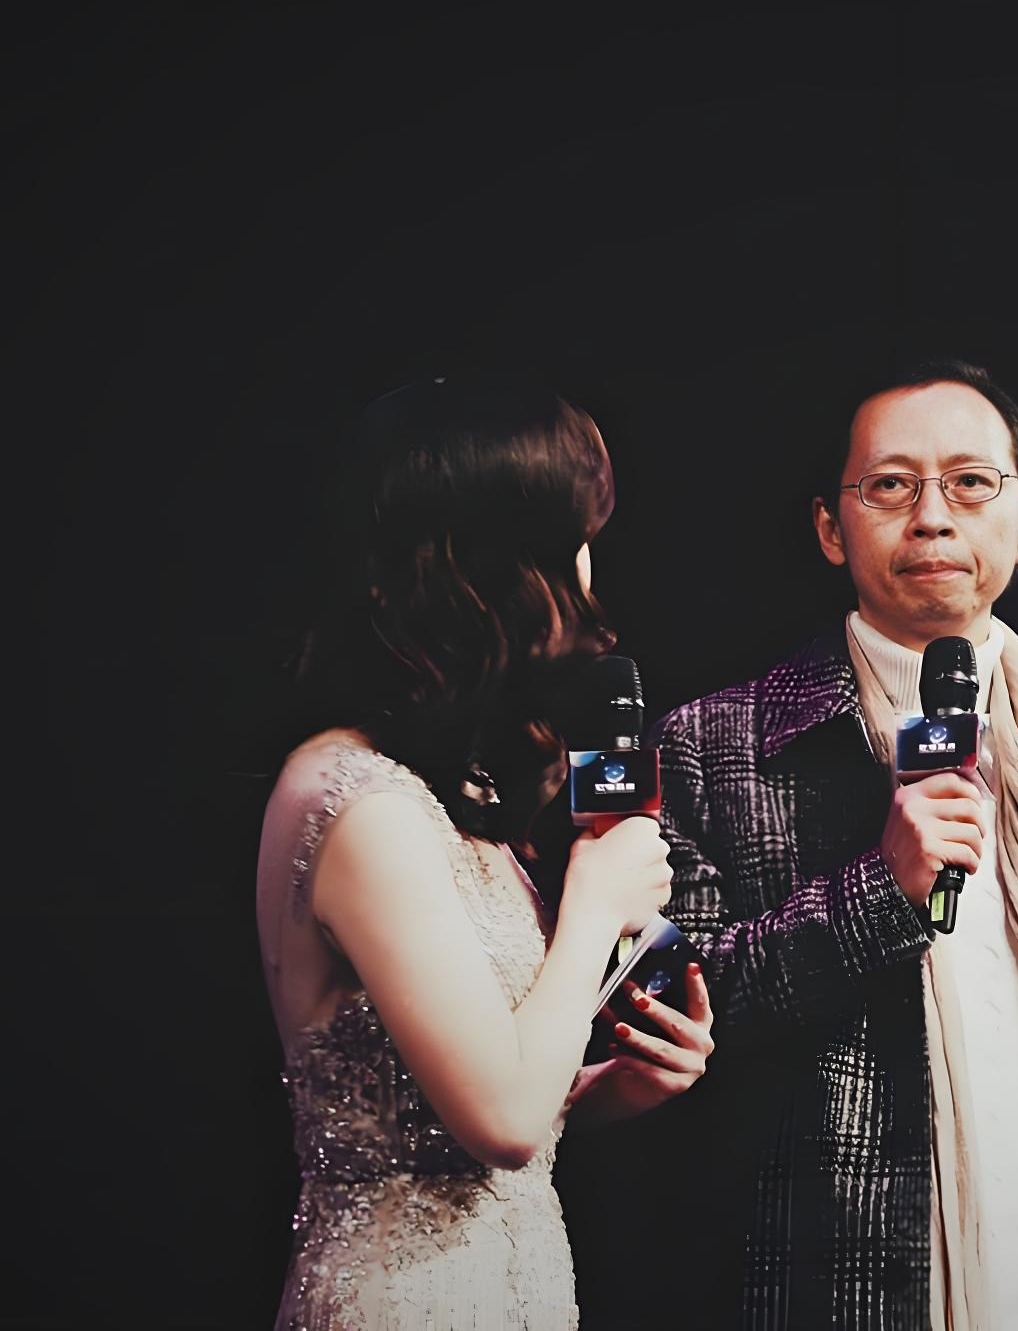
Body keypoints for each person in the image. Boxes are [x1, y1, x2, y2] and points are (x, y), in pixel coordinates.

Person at [651, 359, 1018, 1329]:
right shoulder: (713, 750)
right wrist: (877, 891)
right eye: (891, 485)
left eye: (971, 483)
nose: (932, 517)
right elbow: (667, 1032)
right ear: (829, 527)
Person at [255, 379, 714, 1329]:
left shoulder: (444, 793)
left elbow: (486, 1096)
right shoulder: (360, 802)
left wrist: (609, 1086)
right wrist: (593, 904)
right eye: (576, 539)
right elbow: (501, 1121)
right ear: (502, 564)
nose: (591, 572)